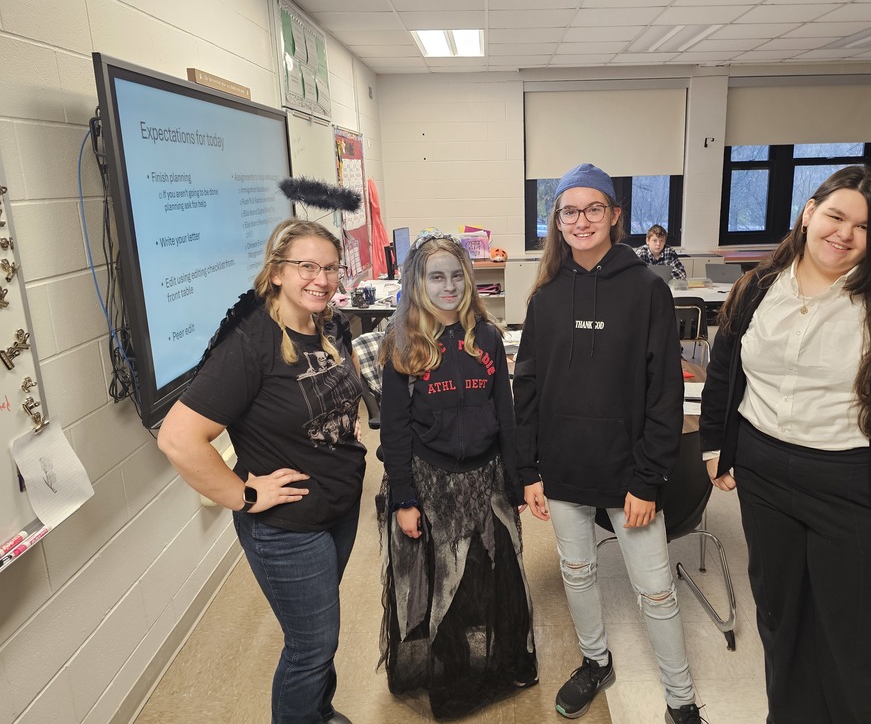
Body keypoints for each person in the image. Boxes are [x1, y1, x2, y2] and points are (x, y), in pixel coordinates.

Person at [700, 166, 871, 724]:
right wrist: (715, 446)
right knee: (781, 617)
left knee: (860, 632)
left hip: (854, 485)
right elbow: (724, 366)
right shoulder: (759, 287)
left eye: (863, 227)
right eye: (836, 215)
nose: (844, 233)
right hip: (765, 476)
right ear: (809, 213)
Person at [514, 164, 704, 724]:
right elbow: (526, 387)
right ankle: (595, 661)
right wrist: (529, 470)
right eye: (568, 211)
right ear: (557, 220)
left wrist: (648, 479)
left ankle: (681, 698)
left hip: (630, 476)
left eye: (592, 209)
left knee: (657, 591)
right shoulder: (546, 295)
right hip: (564, 468)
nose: (581, 220)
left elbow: (665, 394)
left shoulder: (647, 291)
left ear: (615, 215)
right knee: (577, 572)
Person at [158, 219, 365, 724]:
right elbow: (178, 437)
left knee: (323, 631)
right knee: (310, 646)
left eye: (330, 268)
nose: (320, 279)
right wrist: (245, 495)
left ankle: (319, 711)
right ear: (276, 273)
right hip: (287, 527)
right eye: (306, 267)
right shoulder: (250, 343)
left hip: (337, 508)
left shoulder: (328, 323)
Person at [376, 231, 537, 720]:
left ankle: (499, 663)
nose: (448, 287)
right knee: (441, 581)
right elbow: (396, 432)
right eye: (435, 277)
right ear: (418, 282)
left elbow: (505, 414)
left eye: (455, 276)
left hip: (485, 478)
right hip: (431, 483)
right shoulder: (404, 343)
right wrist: (405, 499)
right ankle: (451, 669)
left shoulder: (485, 336)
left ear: (468, 280)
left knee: (490, 574)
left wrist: (516, 480)